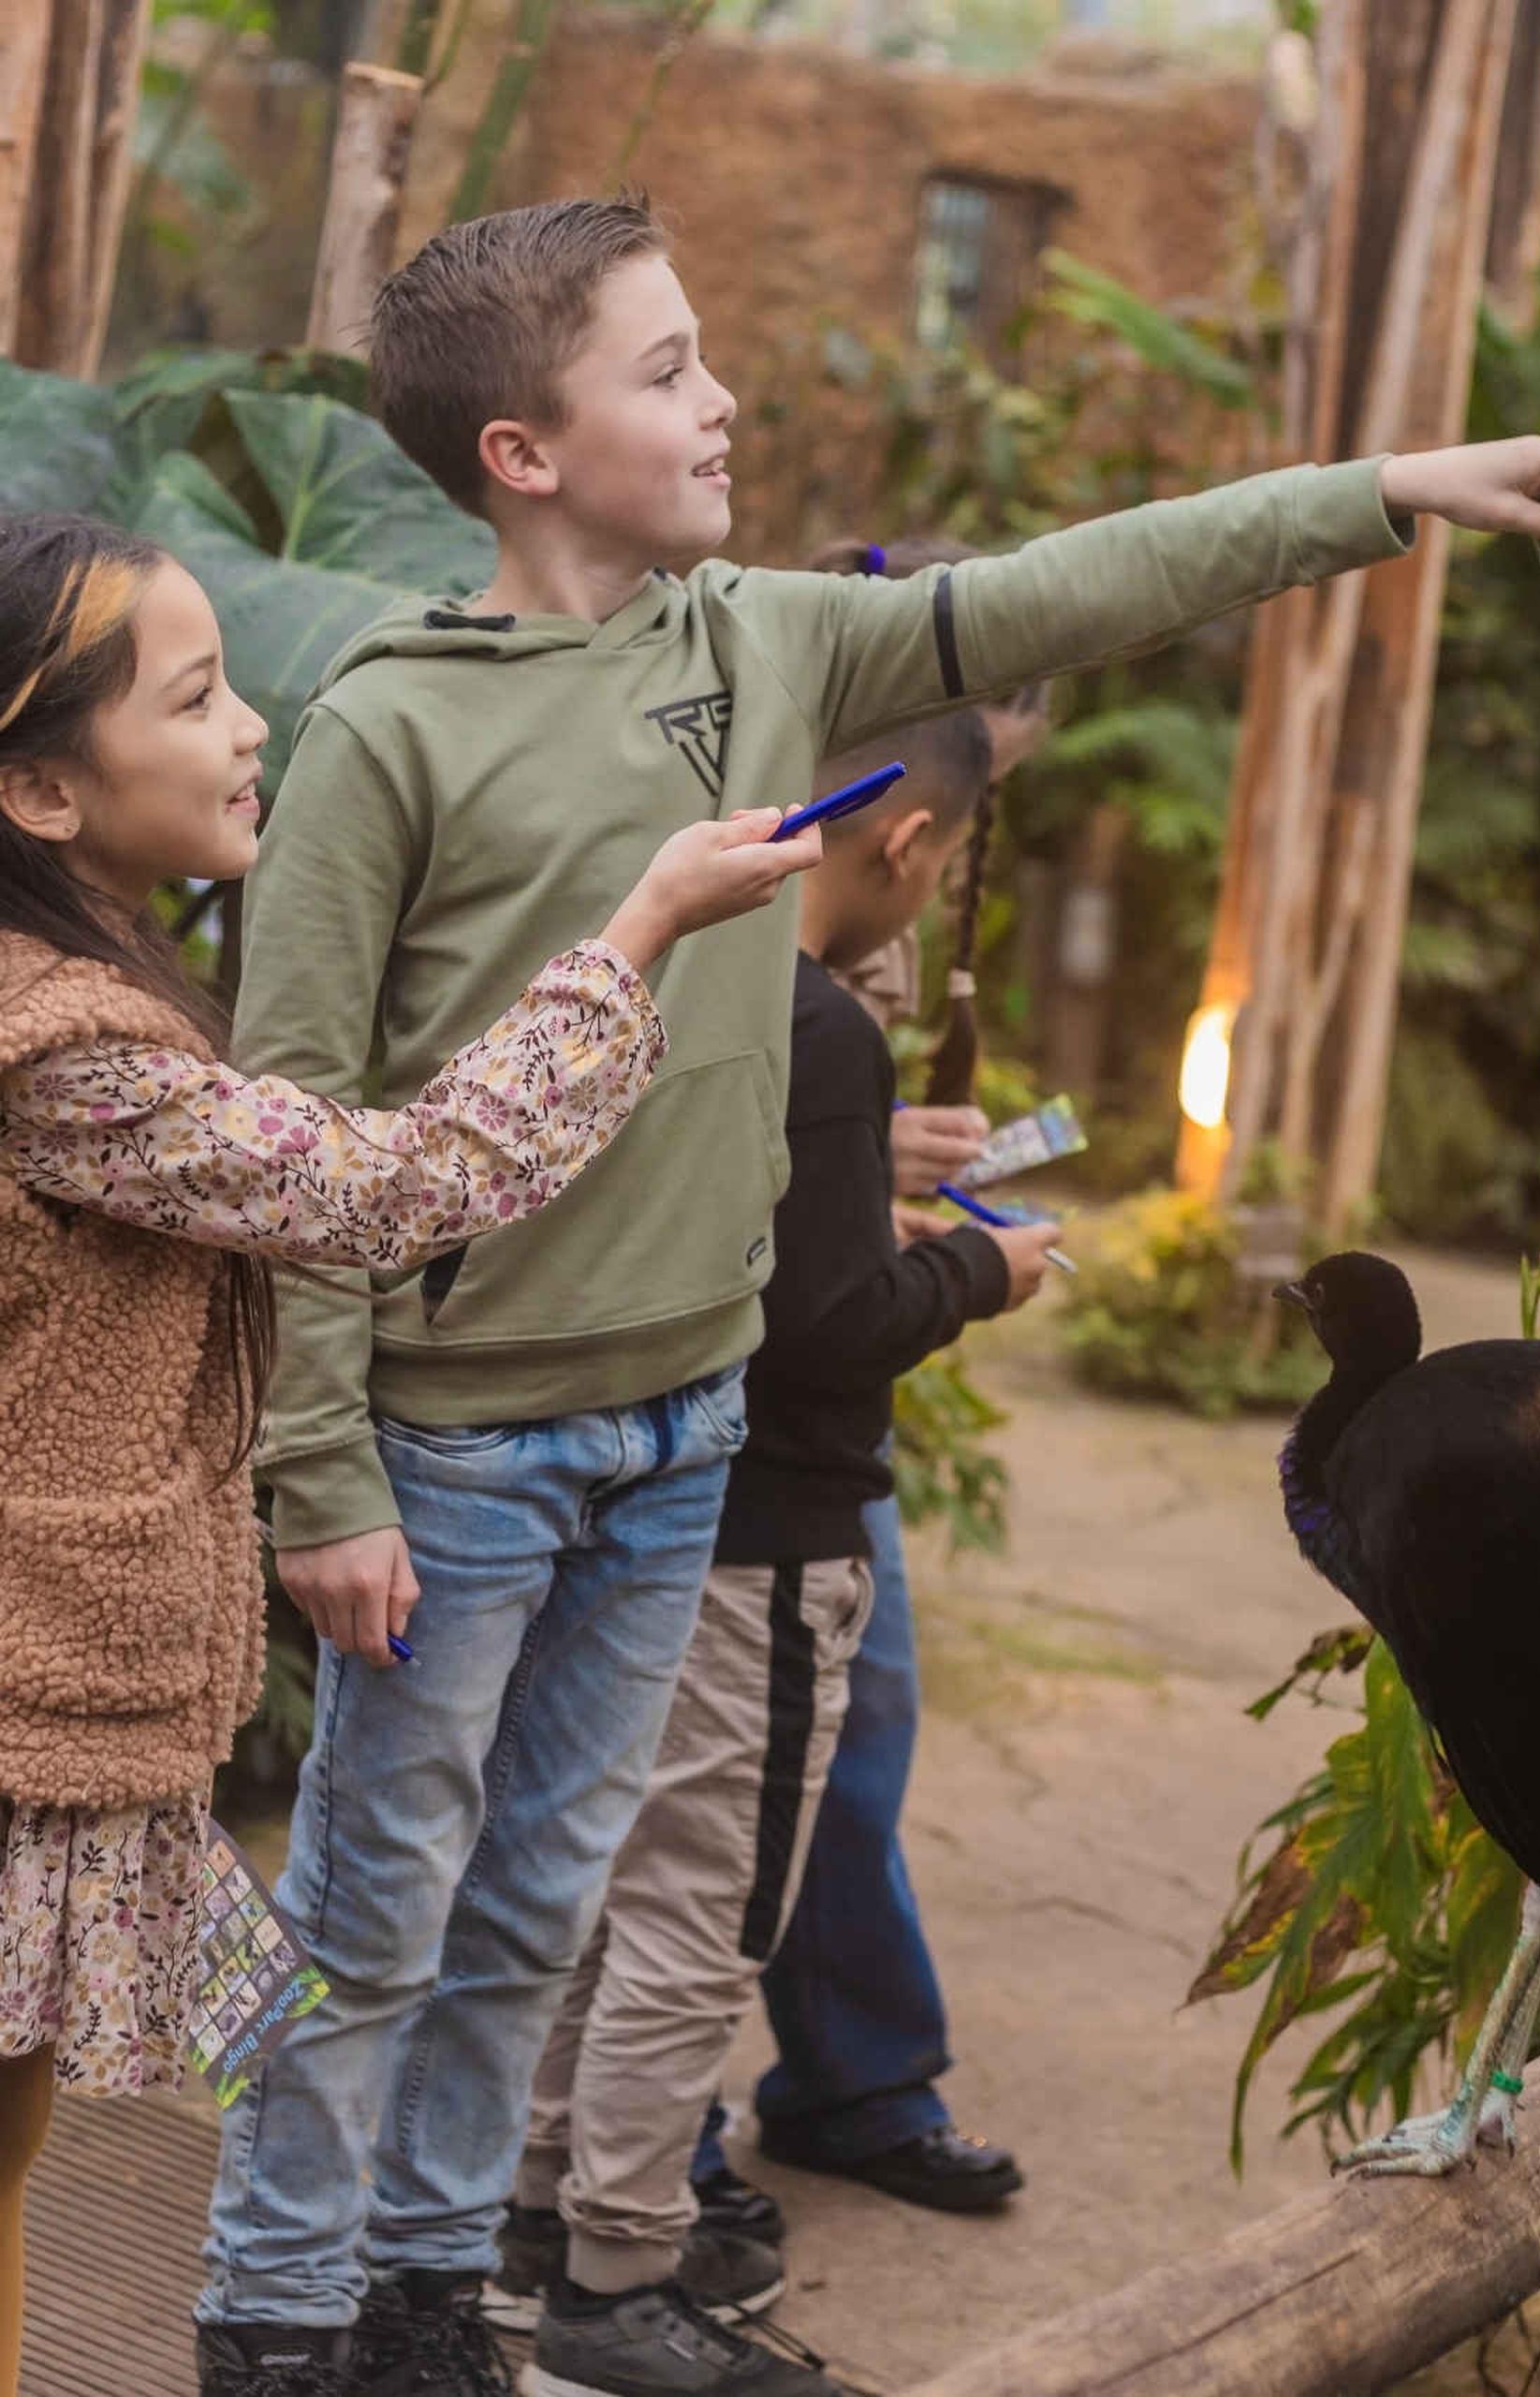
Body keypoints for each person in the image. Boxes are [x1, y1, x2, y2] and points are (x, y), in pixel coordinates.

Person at [195, 189, 1540, 2397]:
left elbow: (1078, 581)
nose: (724, 399)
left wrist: (1393, 494)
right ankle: (273, 2316)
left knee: (532, 1913)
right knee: (374, 1913)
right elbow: (290, 1132)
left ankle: (421, 2300)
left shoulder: (758, 642)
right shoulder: (384, 733)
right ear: (520, 449)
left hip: (684, 1425)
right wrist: (319, 1471)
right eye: (667, 368)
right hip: (458, 1439)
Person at [0, 508, 810, 2397]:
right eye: (195, 697)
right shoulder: (50, 1051)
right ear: (35, 785)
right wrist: (638, 930)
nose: (255, 725)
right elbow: (399, 1185)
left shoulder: (2, 981)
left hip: (18, 1694)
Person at [498, 708, 1055, 2397]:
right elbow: (821, 1329)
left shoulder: (666, 973)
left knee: (608, 1879)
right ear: (906, 844)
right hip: (769, 1533)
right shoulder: (823, 1030)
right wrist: (988, 1274)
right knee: (703, 1912)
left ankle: (544, 2207)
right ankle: (616, 2276)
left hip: (632, 1503)